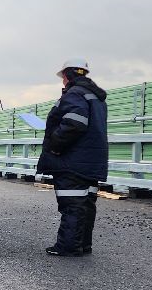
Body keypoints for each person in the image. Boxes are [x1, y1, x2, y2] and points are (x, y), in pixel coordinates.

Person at [36, 59, 109, 256]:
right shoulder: (96, 97)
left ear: (66, 76)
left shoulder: (74, 94)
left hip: (73, 160)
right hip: (92, 160)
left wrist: (55, 146)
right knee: (86, 203)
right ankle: (83, 244)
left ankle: (68, 246)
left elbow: (74, 123)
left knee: (72, 203)